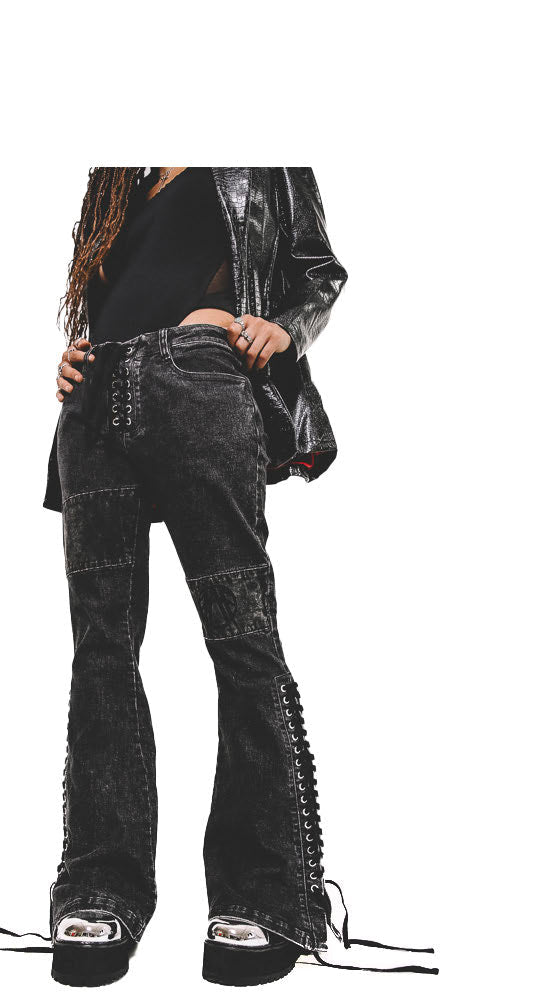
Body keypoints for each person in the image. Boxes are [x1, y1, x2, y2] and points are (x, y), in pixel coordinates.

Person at [44, 165, 348, 987]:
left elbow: (317, 269)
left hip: (201, 375)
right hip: (95, 397)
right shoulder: (116, 179)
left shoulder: (257, 153)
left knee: (241, 637)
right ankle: (100, 892)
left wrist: (282, 329)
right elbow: (113, 291)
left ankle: (265, 896)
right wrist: (75, 356)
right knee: (101, 653)